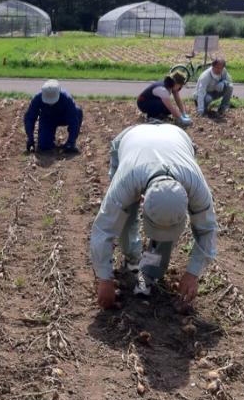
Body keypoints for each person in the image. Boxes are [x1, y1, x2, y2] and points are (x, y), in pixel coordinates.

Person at [90, 123, 217, 310]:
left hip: (177, 139)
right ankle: (132, 259)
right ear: (143, 202)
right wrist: (104, 279)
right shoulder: (126, 180)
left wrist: (193, 273)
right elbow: (104, 228)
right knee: (125, 216)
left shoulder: (195, 186)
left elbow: (207, 229)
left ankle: (146, 275)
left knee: (163, 238)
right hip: (129, 140)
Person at [24, 79, 83, 153]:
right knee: (44, 147)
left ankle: (70, 144)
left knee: (78, 111)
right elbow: (30, 117)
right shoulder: (37, 98)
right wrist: (30, 138)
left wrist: (71, 142)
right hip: (48, 119)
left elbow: (73, 121)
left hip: (64, 117)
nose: (50, 104)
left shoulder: (67, 98)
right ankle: (48, 142)